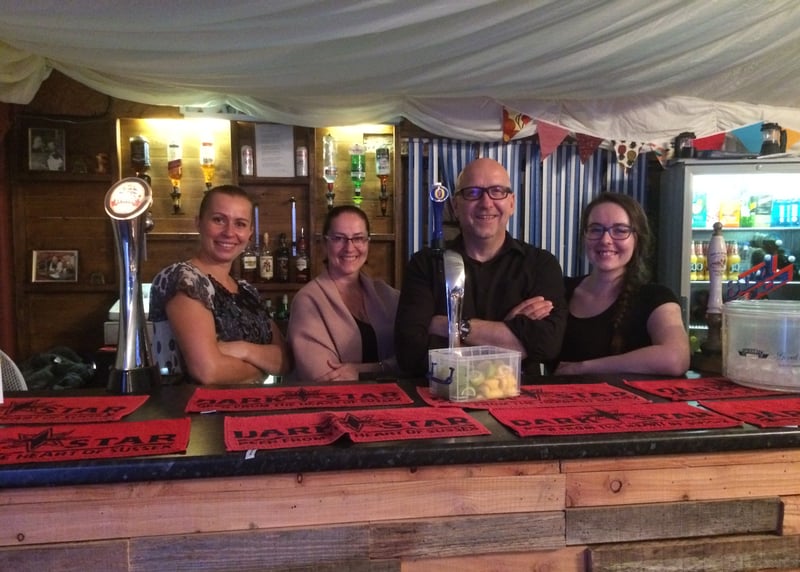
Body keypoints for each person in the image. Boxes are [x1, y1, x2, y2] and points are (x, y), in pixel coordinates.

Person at [395, 157, 567, 377]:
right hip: (443, 394)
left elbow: (548, 345)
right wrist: (509, 332)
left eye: (497, 191)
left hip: (520, 396)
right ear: (456, 206)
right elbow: (410, 353)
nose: (486, 203)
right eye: (473, 193)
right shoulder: (425, 265)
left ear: (512, 203)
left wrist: (453, 327)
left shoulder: (541, 264)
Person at [149, 185, 291, 385]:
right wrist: (263, 369)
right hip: (189, 403)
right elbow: (208, 371)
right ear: (198, 223)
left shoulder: (247, 291)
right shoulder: (184, 279)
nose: (229, 232)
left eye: (240, 224)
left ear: (250, 233)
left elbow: (285, 360)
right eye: (218, 220)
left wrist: (243, 349)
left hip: (249, 403)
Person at [555, 192, 690, 376]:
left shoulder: (656, 297)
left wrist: (582, 368)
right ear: (584, 236)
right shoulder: (560, 290)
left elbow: (675, 359)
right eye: (595, 229)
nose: (605, 240)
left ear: (637, 239)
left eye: (620, 230)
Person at [288, 205, 399, 382]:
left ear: (368, 243)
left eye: (358, 238)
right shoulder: (308, 301)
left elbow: (413, 360)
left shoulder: (387, 295)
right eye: (339, 238)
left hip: (394, 398)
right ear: (325, 244)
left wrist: (360, 370)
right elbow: (325, 378)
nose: (349, 248)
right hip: (335, 400)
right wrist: (388, 368)